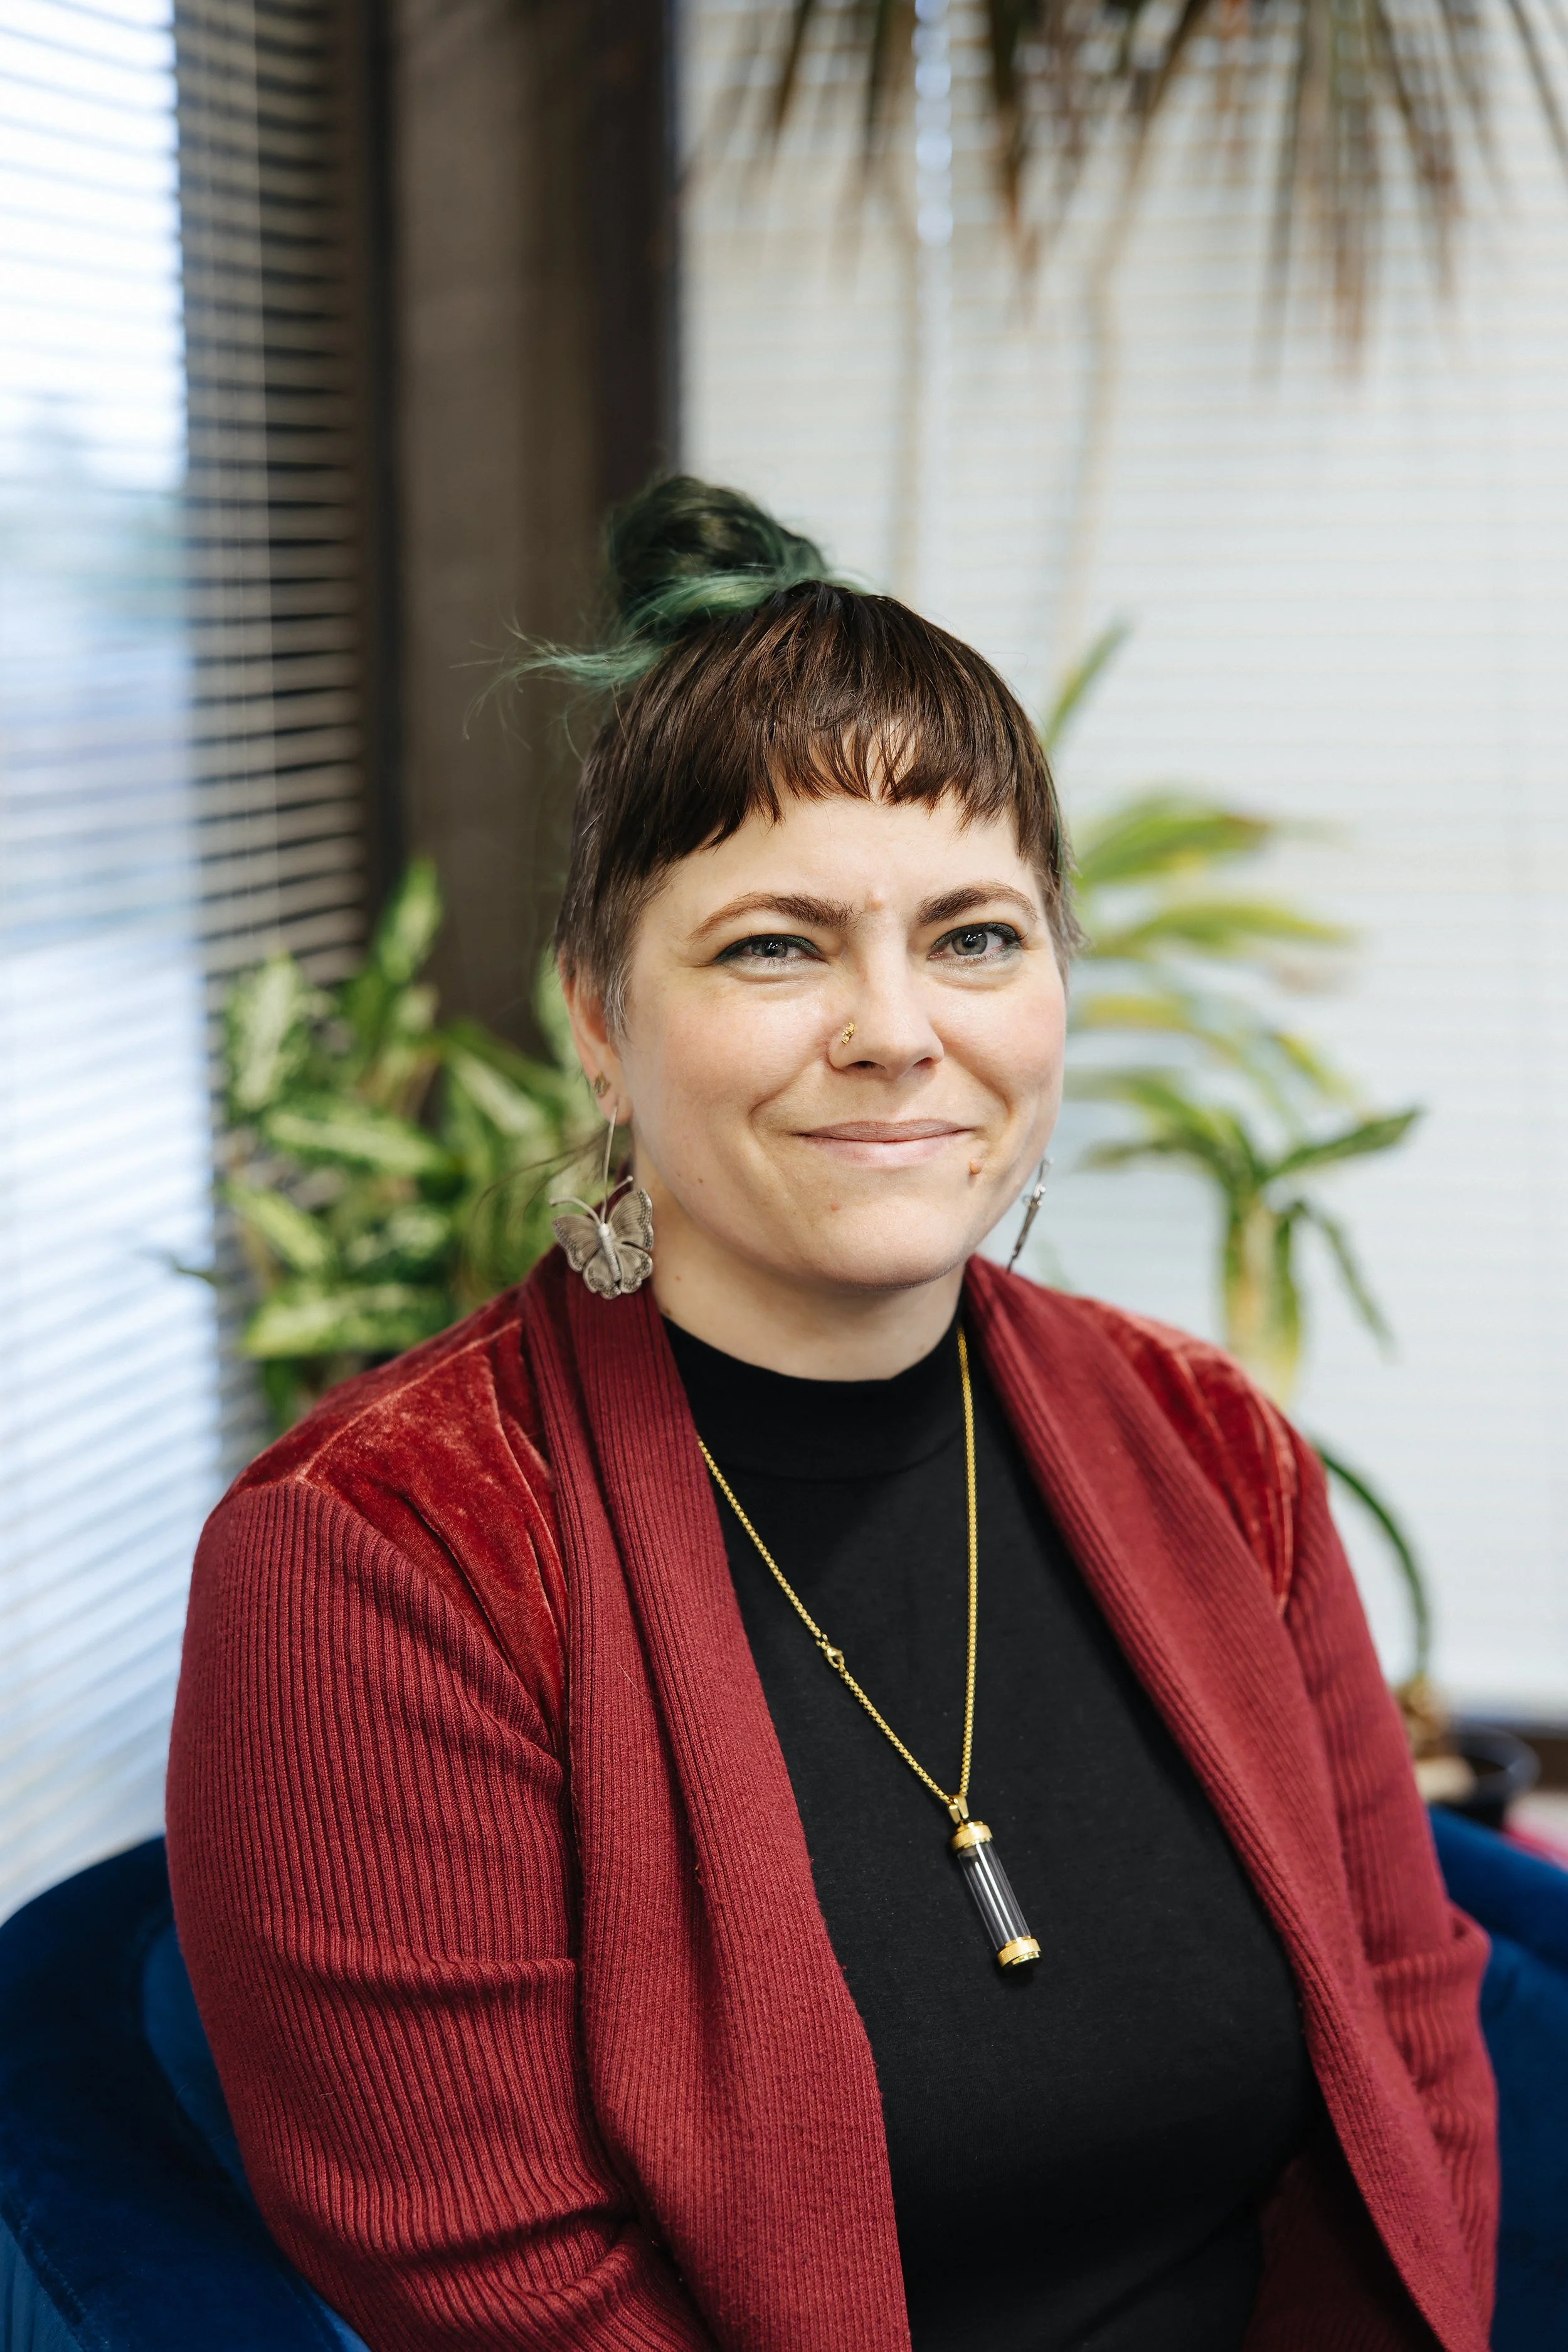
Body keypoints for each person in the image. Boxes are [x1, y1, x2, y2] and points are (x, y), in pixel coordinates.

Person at [166, 479, 1496, 2352]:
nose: (896, 1028)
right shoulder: (375, 1558)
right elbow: (505, 2290)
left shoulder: (1208, 1442)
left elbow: (1408, 2028)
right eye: (775, 945)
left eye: (973, 936)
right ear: (599, 1024)